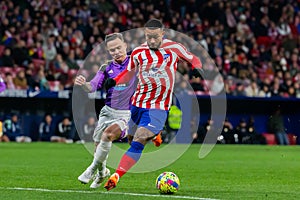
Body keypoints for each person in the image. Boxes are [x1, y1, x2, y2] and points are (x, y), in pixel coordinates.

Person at [103, 19, 203, 191]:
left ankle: (117, 175)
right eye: (149, 37)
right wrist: (114, 81)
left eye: (155, 37)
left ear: (162, 34)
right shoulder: (138, 52)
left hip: (158, 105)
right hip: (137, 104)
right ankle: (156, 134)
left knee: (140, 139)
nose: (152, 40)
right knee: (131, 139)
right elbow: (128, 73)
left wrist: (197, 68)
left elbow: (194, 58)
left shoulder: (174, 48)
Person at [75, 33, 137, 189]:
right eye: (112, 50)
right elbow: (92, 87)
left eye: (118, 48)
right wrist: (84, 83)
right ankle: (102, 173)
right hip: (107, 112)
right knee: (98, 147)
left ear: (125, 46)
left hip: (126, 114)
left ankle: (91, 169)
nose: (116, 52)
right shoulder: (106, 67)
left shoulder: (135, 64)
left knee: (108, 135)